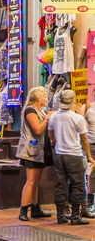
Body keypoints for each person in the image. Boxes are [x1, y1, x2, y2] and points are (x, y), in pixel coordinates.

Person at [48, 89, 95, 225]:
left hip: (59, 154)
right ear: (72, 102)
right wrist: (90, 157)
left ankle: (60, 215)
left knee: (60, 185)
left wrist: (55, 142)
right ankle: (75, 216)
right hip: (74, 155)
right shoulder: (77, 118)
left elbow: (51, 134)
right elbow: (84, 138)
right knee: (77, 185)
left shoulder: (54, 116)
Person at [16, 86, 54, 221]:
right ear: (38, 98)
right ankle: (23, 210)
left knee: (36, 181)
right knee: (31, 181)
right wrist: (48, 118)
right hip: (32, 151)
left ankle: (35, 207)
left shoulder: (40, 111)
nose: (46, 99)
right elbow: (37, 130)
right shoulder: (30, 110)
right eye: (45, 96)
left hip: (40, 150)